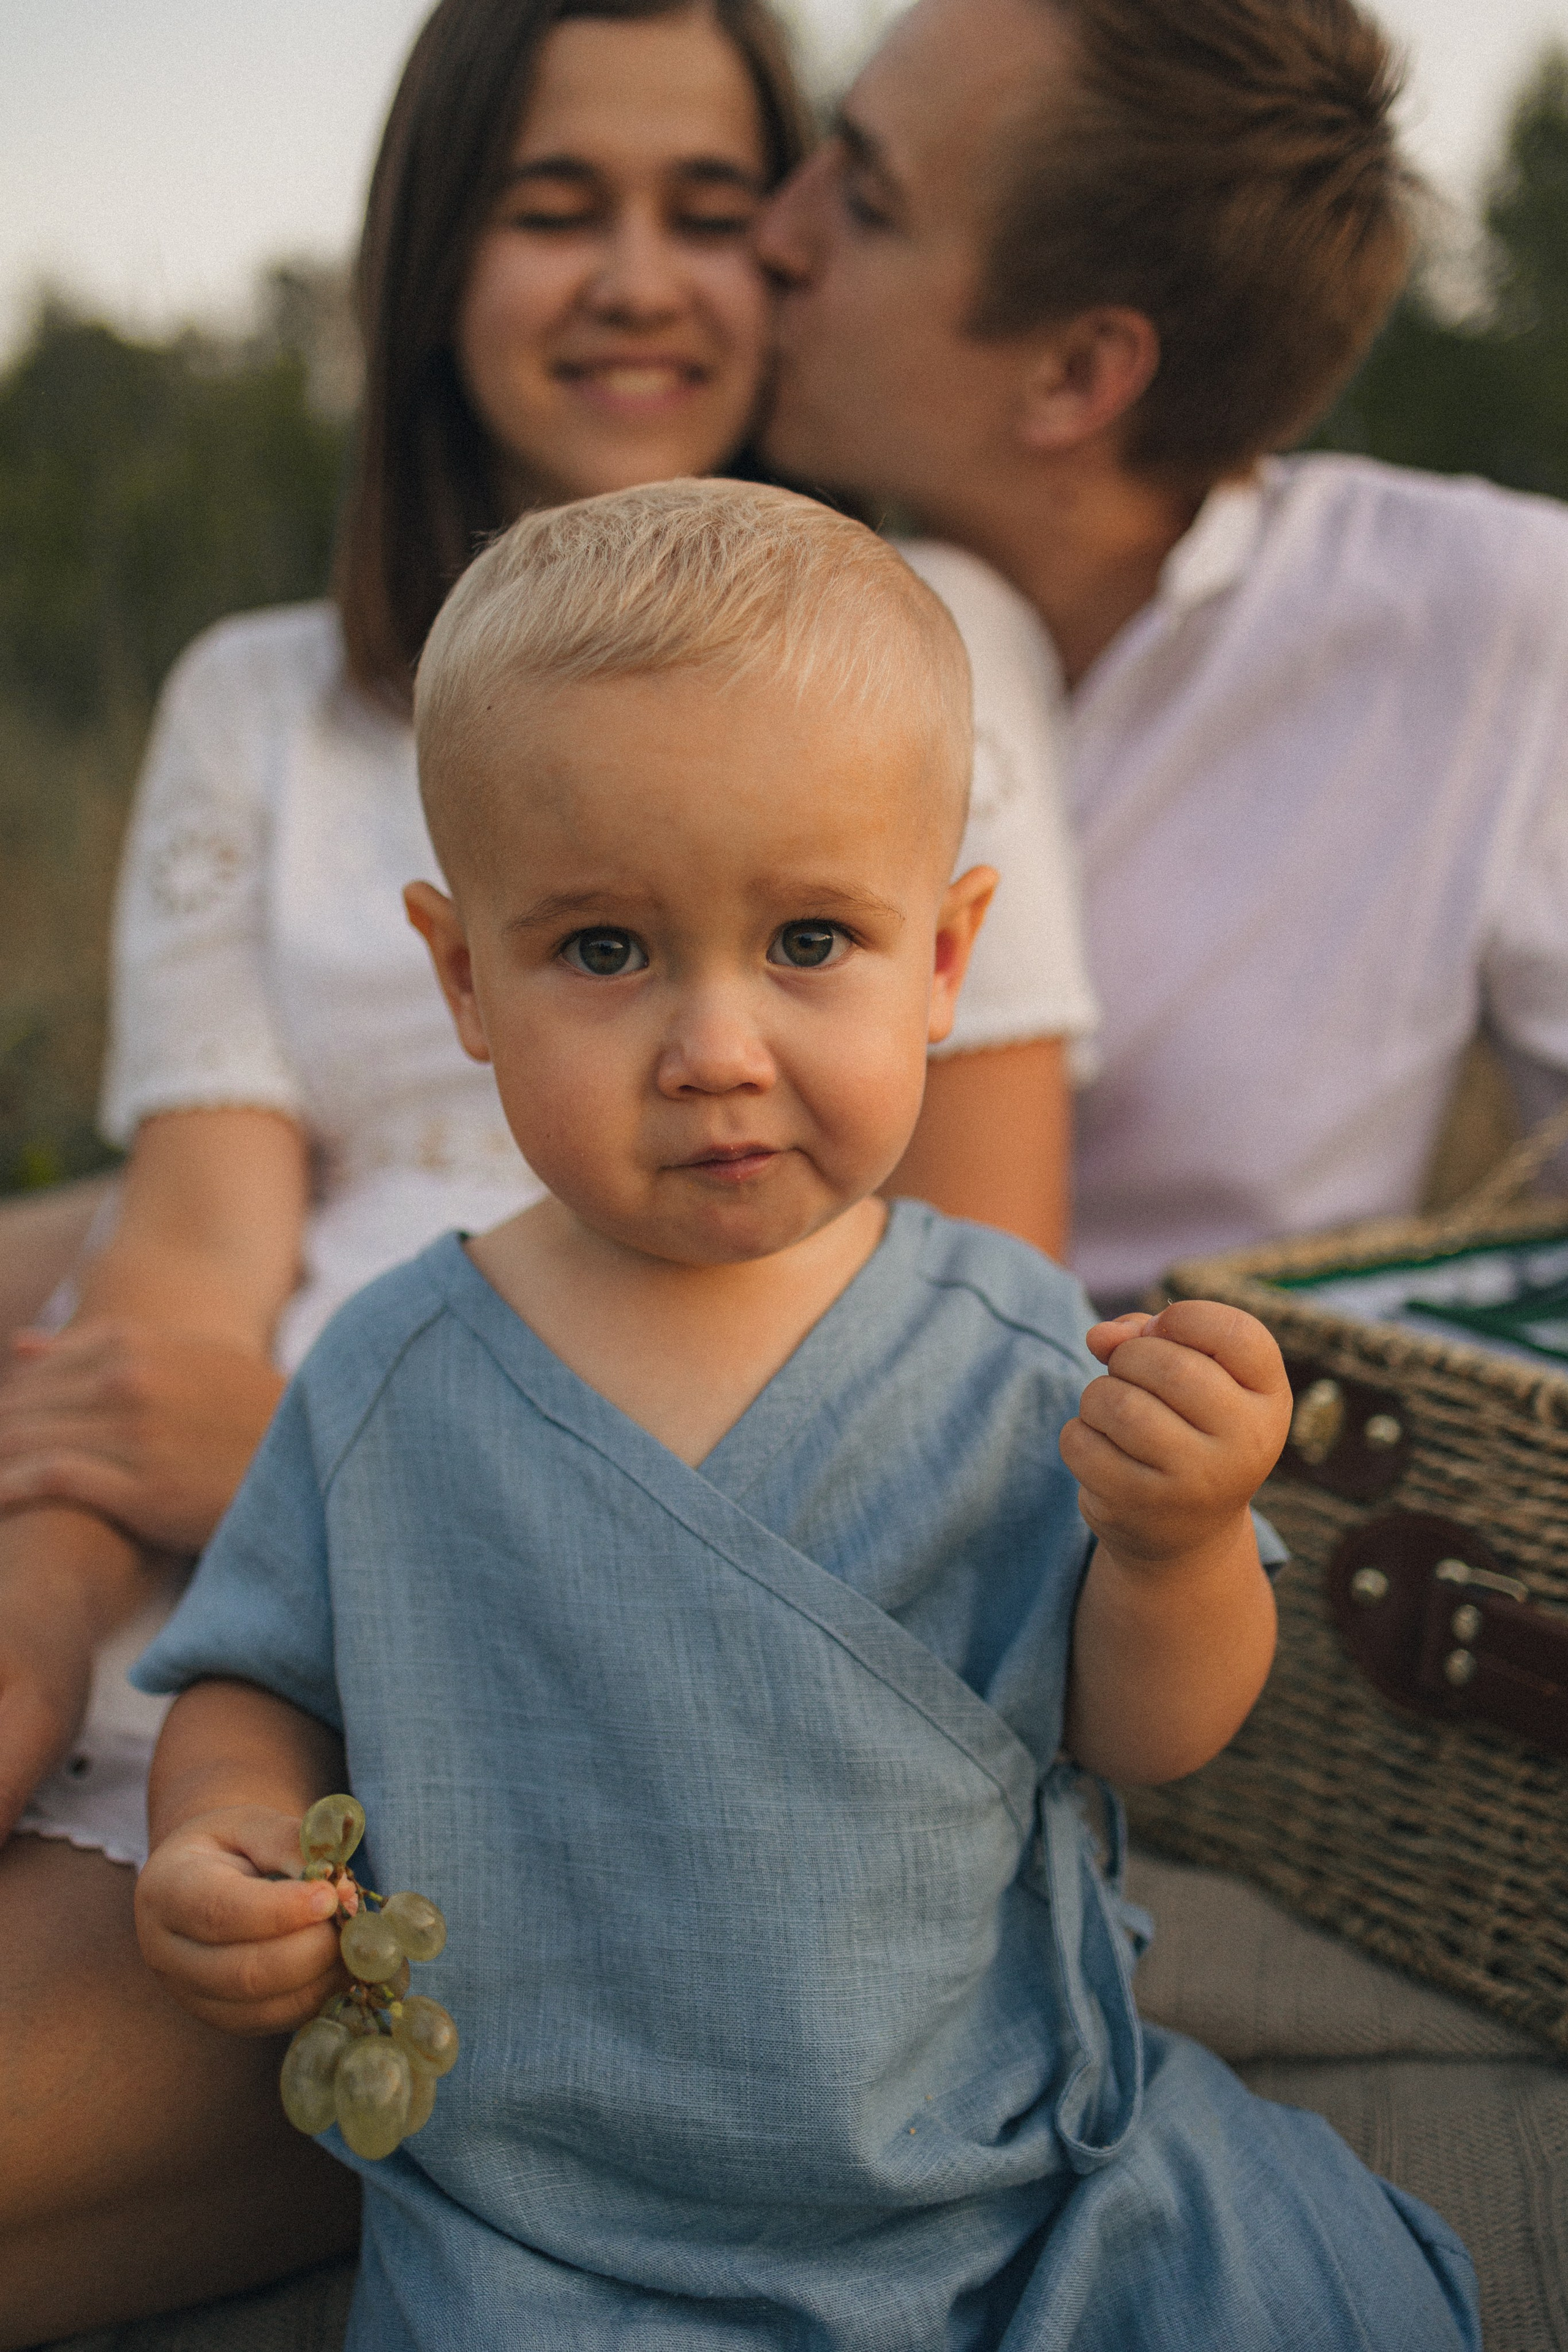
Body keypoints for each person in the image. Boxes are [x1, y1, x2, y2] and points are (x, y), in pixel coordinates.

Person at [0, 4, 1097, 2339]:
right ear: (428, 254)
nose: (636, 275)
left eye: (712, 209)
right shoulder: (255, 701)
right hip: (259, 1543)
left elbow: (979, 1260)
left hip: (634, 1582)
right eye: (552, 204)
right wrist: (65, 1550)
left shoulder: (927, 658)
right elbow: (194, 1246)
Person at [130, 478, 1477, 2352]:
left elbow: (1152, 1734)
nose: (716, 1048)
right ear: (465, 977)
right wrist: (224, 1840)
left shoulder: (1011, 1338)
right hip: (563, 2239)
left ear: (945, 959)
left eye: (811, 943)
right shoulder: (393, 1379)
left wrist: (1174, 1542)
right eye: (604, 950)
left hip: (1012, 2181)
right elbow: (263, 1677)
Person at [756, 0, 1568, 1310]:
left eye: (864, 198)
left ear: (1075, 373)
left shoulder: (1491, 627)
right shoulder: (691, 599)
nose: (771, 235)